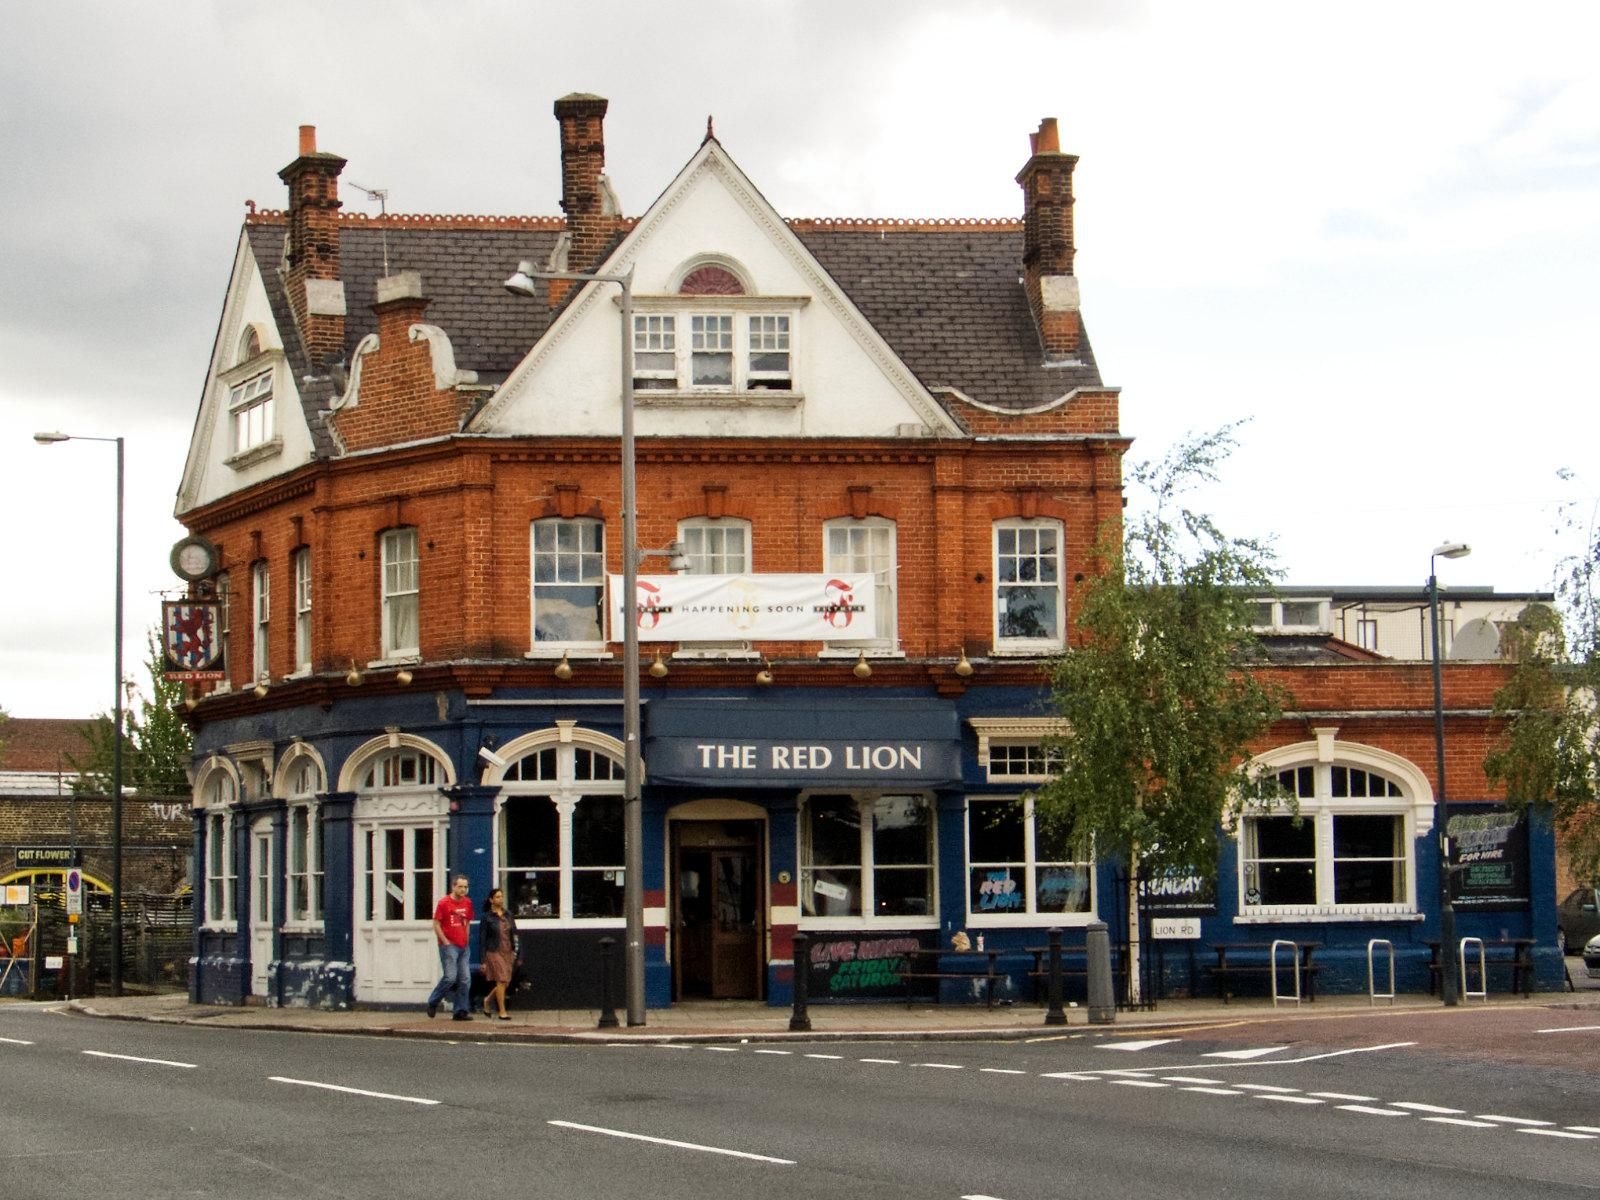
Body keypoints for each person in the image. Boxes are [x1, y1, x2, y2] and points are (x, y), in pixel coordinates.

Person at [425, 874, 475, 1021]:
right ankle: (433, 1001)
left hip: (463, 945)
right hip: (449, 945)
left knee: (465, 978)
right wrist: (445, 941)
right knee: (450, 977)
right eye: (460, 886)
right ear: (453, 887)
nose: (463, 890)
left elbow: (467, 921)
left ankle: (460, 1010)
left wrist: (466, 938)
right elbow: (436, 924)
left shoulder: (468, 903)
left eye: (465, 887)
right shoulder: (444, 903)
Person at [478, 887, 520, 1020]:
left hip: (507, 950)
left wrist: (516, 951)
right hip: (494, 951)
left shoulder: (508, 914)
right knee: (501, 979)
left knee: (505, 982)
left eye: (501, 896)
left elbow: (515, 933)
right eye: (497, 897)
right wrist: (483, 960)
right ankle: (502, 1012)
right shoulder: (487, 917)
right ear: (491, 900)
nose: (500, 899)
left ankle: (487, 1000)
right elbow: (482, 938)